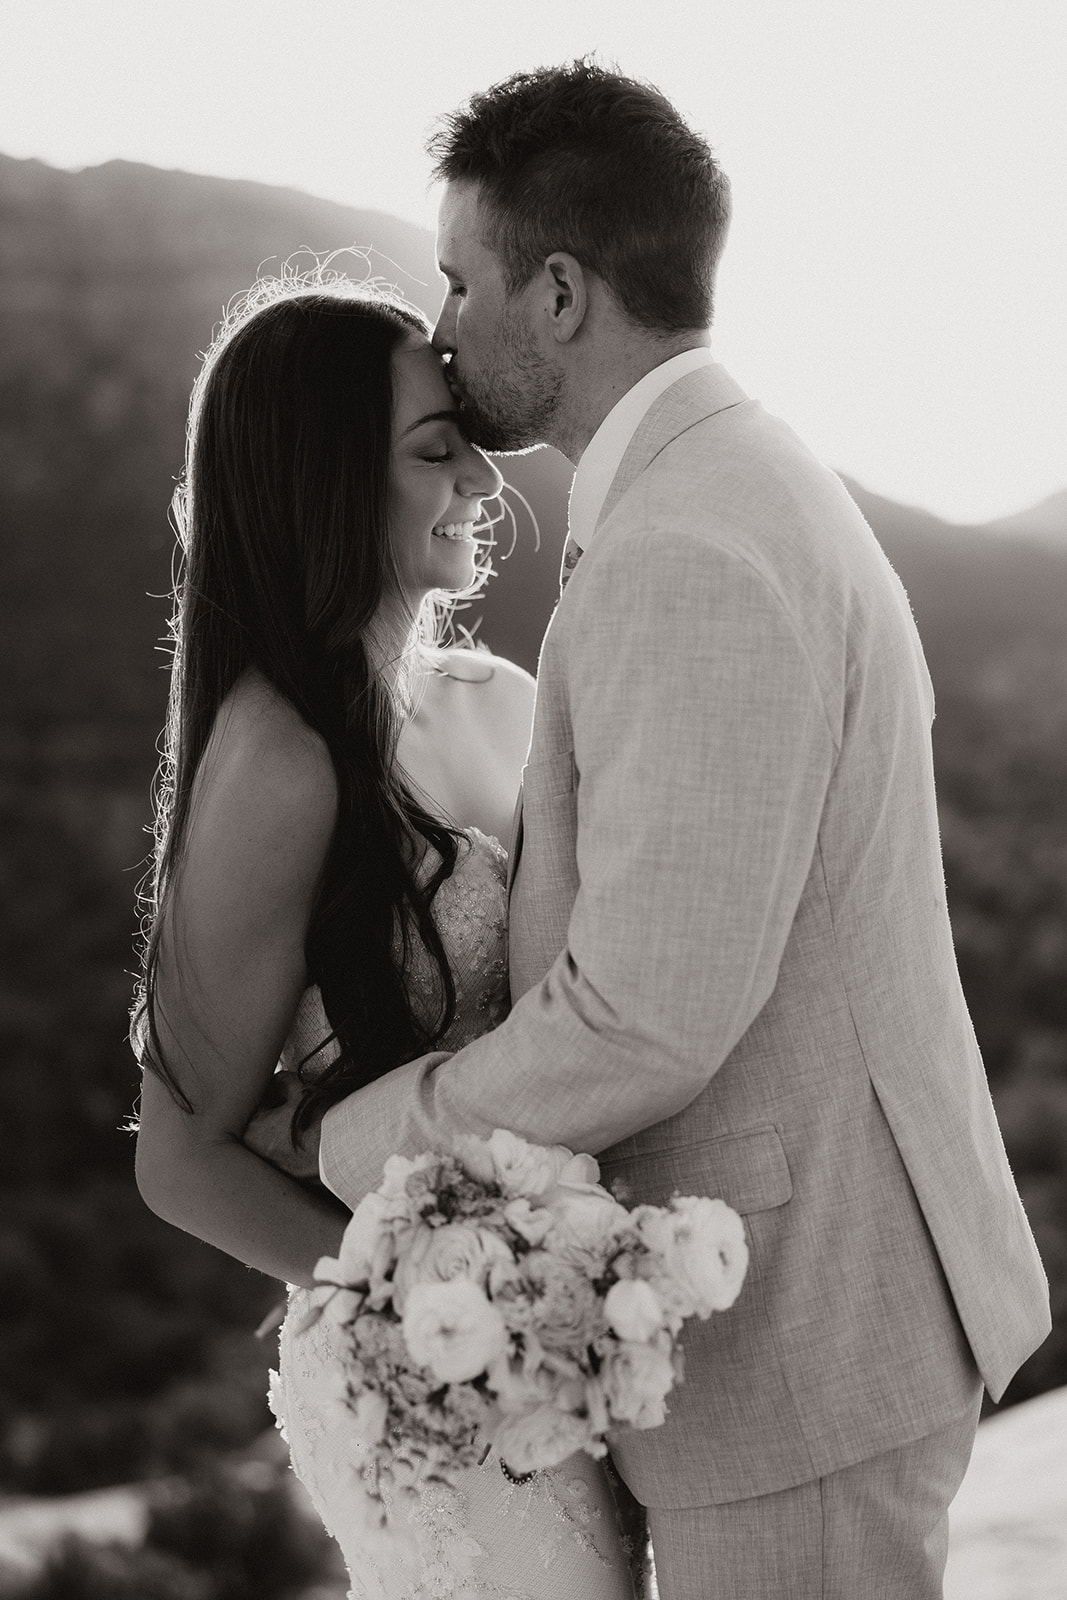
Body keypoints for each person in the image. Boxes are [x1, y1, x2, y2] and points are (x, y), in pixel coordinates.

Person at [254, 61, 1052, 1600]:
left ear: (558, 294)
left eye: (459, 277)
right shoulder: (725, 487)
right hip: (813, 1322)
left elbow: (645, 1016)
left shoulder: (690, 541)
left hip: (809, 1349)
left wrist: (362, 1141)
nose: (439, 326)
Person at [131, 278, 642, 1599]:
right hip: (418, 1368)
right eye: (433, 450)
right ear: (322, 486)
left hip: (565, 1341)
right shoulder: (279, 762)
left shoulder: (500, 703)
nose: (482, 473)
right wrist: (436, 1301)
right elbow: (182, 1160)